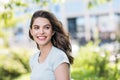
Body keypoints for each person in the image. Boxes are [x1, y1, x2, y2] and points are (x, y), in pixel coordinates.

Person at [29, 10, 74, 80]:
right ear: (31, 31)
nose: (41, 32)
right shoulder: (33, 59)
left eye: (46, 27)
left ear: (53, 31)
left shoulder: (58, 57)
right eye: (36, 28)